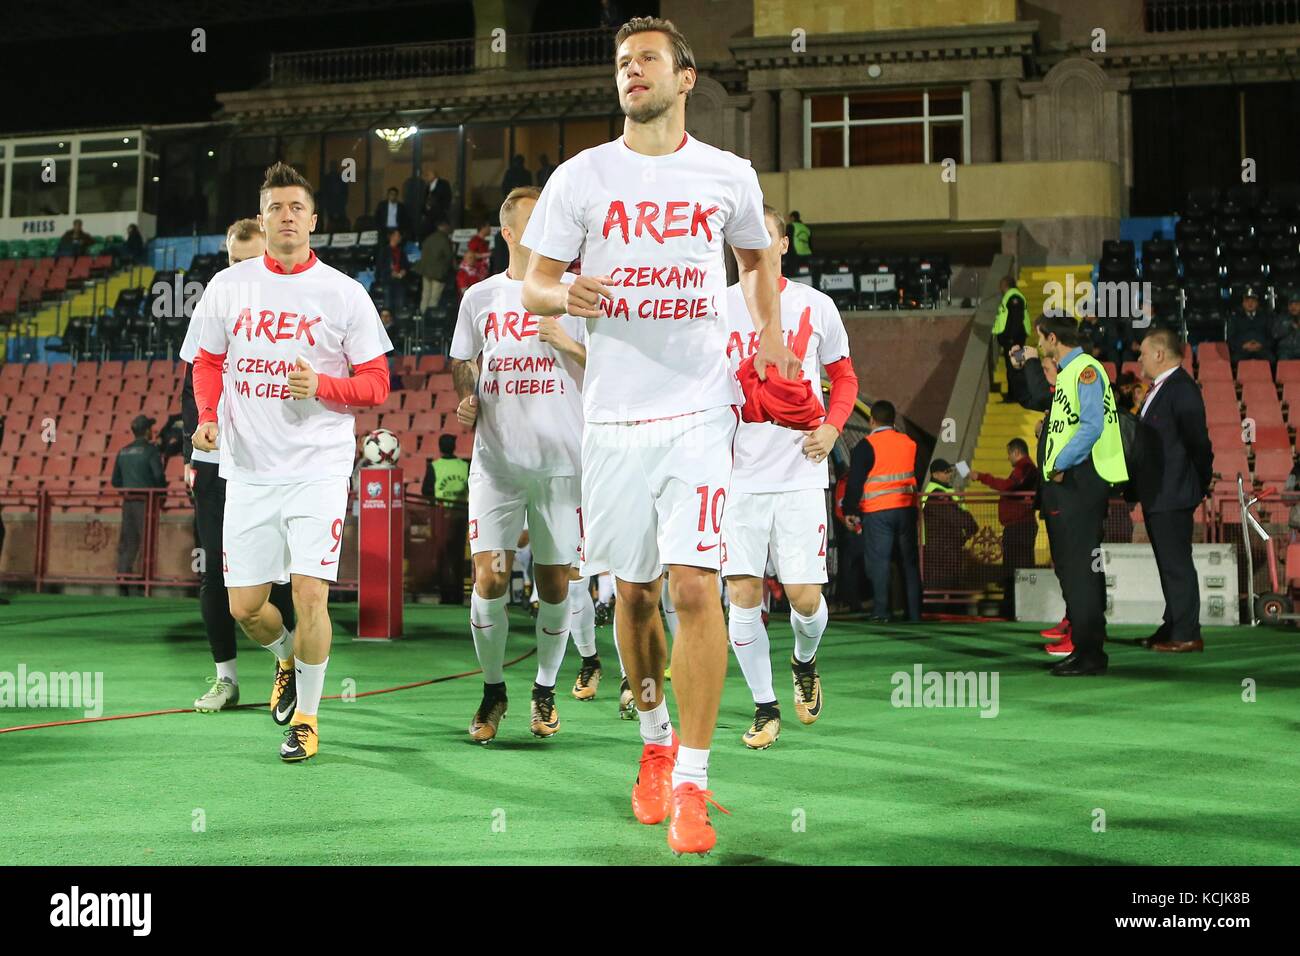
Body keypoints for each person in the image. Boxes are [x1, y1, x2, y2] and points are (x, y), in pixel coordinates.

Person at [520, 15, 799, 856]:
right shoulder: (581, 176)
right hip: (610, 416)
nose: (630, 71)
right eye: (620, 62)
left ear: (685, 78)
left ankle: (693, 784)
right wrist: (566, 293)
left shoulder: (727, 173)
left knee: (692, 591)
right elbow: (532, 283)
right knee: (633, 596)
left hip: (698, 411)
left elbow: (756, 260)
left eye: (647, 59)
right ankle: (651, 743)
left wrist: (774, 337)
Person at [191, 161, 394, 761]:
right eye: (275, 207)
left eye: (296, 208)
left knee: (310, 592)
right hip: (248, 468)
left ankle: (306, 718)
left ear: (313, 220)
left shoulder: (343, 292)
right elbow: (205, 361)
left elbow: (378, 384)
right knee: (245, 606)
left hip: (317, 468)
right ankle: (284, 657)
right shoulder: (228, 288)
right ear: (262, 218)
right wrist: (207, 416)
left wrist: (324, 387)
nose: (285, 216)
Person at [449, 185, 592, 740]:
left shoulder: (575, 295)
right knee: (490, 578)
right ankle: (492, 692)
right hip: (497, 463)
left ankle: (543, 687)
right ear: (508, 233)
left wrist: (568, 344)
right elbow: (464, 359)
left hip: (561, 463)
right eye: (532, 225)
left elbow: (607, 367)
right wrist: (468, 395)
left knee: (556, 586)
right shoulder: (480, 297)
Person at [720, 205, 859, 751]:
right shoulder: (715, 308)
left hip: (800, 471)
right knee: (742, 592)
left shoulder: (816, 305)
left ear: (781, 245)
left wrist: (832, 427)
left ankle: (804, 662)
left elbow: (844, 376)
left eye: (761, 238)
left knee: (804, 598)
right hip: (736, 476)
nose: (749, 247)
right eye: (740, 240)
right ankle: (764, 706)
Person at [182, 218, 296, 713]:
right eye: (233, 260)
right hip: (216, 460)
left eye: (251, 260)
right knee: (213, 571)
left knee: (283, 574)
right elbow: (195, 373)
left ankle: (286, 665)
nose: (241, 270)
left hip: (271, 461)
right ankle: (226, 678)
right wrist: (194, 451)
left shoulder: (290, 304)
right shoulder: (216, 301)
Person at [1036, 312, 1128, 676]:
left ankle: (1090, 653)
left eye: (1041, 337)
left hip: (1078, 483)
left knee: (1081, 573)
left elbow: (1091, 425)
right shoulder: (1073, 372)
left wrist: (1060, 462)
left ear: (1052, 338)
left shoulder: (1083, 369)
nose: (1039, 344)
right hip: (1073, 484)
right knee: (1077, 572)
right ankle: (1085, 649)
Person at [1134, 327, 1213, 653]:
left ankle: (1187, 633)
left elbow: (1199, 442)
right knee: (1170, 563)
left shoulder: (1181, 389)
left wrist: (1198, 482)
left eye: (1142, 353)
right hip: (1161, 491)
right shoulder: (1166, 387)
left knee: (1176, 563)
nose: (1138, 358)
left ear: (1159, 354)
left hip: (1173, 491)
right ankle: (1173, 626)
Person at [843, 400, 922, 623]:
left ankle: (881, 611)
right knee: (909, 562)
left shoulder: (866, 446)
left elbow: (855, 481)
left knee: (879, 561)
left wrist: (850, 509)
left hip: (878, 511)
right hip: (907, 509)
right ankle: (914, 613)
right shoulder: (909, 442)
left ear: (871, 420)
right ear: (893, 420)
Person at [972, 438, 1041, 605]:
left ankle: (1014, 606)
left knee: (1015, 570)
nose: (1008, 458)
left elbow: (1007, 486)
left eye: (1009, 454)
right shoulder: (1026, 468)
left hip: (1019, 527)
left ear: (1016, 452)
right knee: (1016, 568)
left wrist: (982, 477)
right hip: (1018, 526)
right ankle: (1016, 605)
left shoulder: (1024, 467)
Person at [111, 414, 166, 594]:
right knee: (147, 542)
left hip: (128, 503)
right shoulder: (151, 451)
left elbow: (115, 481)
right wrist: (161, 493)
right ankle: (144, 584)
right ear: (147, 431)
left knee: (128, 543)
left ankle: (123, 583)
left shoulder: (123, 451)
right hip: (146, 503)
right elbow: (158, 476)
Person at [423, 433, 470, 605]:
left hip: (441, 516)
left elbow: (426, 491)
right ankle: (458, 596)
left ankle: (445, 596)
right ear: (454, 446)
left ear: (440, 447)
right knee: (457, 556)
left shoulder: (434, 466)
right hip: (461, 515)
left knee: (442, 556)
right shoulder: (465, 466)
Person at [919, 458, 977, 588]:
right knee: (942, 586)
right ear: (935, 474)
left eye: (950, 471)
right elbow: (954, 515)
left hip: (947, 544)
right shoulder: (935, 493)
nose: (950, 474)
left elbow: (959, 511)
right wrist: (970, 525)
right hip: (939, 546)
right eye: (946, 472)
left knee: (950, 585)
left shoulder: (945, 489)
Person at [992, 276, 1029, 404]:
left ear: (1005, 285)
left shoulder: (1014, 298)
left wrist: (1011, 338)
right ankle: (1013, 394)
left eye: (1001, 285)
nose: (999, 288)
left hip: (1015, 341)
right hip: (1013, 340)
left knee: (1016, 368)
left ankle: (1018, 395)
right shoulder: (1011, 297)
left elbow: (1016, 320)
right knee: (1013, 368)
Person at [414, 219, 454, 313]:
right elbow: (449, 256)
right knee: (434, 298)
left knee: (425, 296)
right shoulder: (444, 239)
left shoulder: (429, 238)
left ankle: (422, 319)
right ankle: (429, 319)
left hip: (426, 272)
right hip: (438, 273)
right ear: (444, 226)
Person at [1228, 288, 1274, 363]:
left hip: (1262, 349)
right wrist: (1243, 345)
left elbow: (1271, 337)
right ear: (1243, 303)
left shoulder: (1266, 317)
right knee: (1234, 361)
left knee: (1272, 360)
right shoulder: (1235, 318)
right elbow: (1231, 338)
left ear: (1257, 303)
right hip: (1242, 350)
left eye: (1253, 301)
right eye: (1247, 301)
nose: (1250, 304)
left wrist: (1261, 345)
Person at [374, 228, 411, 314]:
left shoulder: (401, 252)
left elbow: (406, 265)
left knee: (400, 305)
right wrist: (390, 273)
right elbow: (380, 267)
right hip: (388, 281)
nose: (399, 238)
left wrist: (403, 271)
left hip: (400, 281)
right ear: (392, 237)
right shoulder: (384, 251)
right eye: (397, 236)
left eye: (400, 236)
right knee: (388, 305)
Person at [423, 166, 453, 233]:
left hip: (440, 216)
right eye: (426, 175)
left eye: (428, 175)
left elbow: (447, 198)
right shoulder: (427, 187)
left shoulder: (443, 184)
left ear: (434, 174)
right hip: (429, 217)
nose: (426, 177)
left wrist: (443, 210)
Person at [1271, 292, 1300, 361]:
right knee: (1283, 360)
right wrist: (1289, 327)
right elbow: (1275, 334)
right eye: (1291, 305)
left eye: (1296, 304)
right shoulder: (1281, 318)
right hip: (1285, 351)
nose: (1293, 307)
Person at [785, 210, 812, 275]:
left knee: (793, 274)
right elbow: (810, 243)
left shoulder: (791, 226)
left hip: (795, 254)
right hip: (806, 254)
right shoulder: (806, 228)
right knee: (805, 273)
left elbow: (788, 240)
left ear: (793, 218)